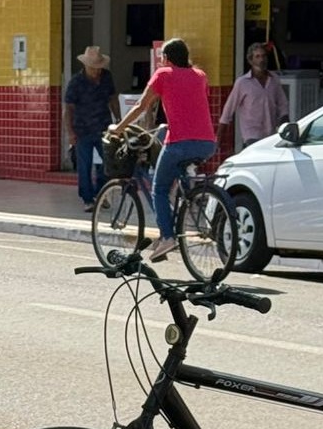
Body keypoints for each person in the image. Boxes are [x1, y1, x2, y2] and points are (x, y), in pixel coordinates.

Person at [112, 37, 216, 261]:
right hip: (207, 142)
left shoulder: (163, 74)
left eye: (162, 59)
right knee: (174, 176)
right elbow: (192, 105)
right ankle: (185, 199)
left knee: (158, 188)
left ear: (167, 58)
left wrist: (119, 128)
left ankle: (167, 236)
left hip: (179, 143)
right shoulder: (200, 76)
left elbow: (141, 105)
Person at [64, 46, 120, 212]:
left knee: (108, 163)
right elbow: (68, 109)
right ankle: (88, 199)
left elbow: (112, 98)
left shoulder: (107, 77)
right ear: (86, 66)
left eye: (99, 67)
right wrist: (70, 132)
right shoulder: (76, 82)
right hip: (83, 129)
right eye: (93, 68)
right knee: (84, 165)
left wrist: (119, 119)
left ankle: (100, 194)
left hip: (104, 127)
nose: (97, 71)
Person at [217, 42, 288, 150]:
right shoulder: (242, 83)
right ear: (251, 60)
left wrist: (285, 125)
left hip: (271, 135)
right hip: (252, 135)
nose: (261, 60)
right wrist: (219, 138)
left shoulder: (274, 79)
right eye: (257, 56)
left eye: (263, 56)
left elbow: (283, 105)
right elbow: (228, 110)